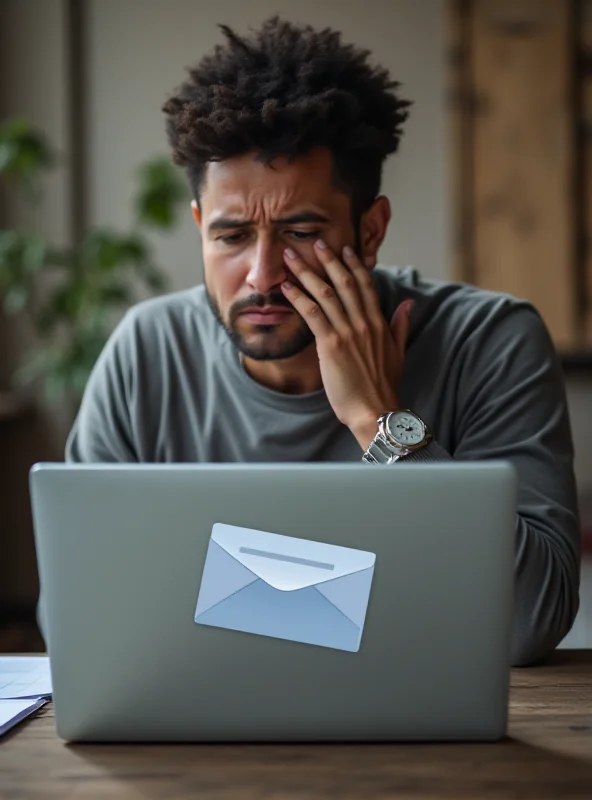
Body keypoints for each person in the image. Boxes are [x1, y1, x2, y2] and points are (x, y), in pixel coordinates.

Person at [64, 17, 580, 666]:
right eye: (230, 236)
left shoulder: (489, 341)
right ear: (199, 225)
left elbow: (529, 621)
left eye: (300, 231)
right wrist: (368, 601)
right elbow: (77, 611)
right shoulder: (147, 352)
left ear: (370, 231)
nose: (261, 274)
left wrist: (381, 423)